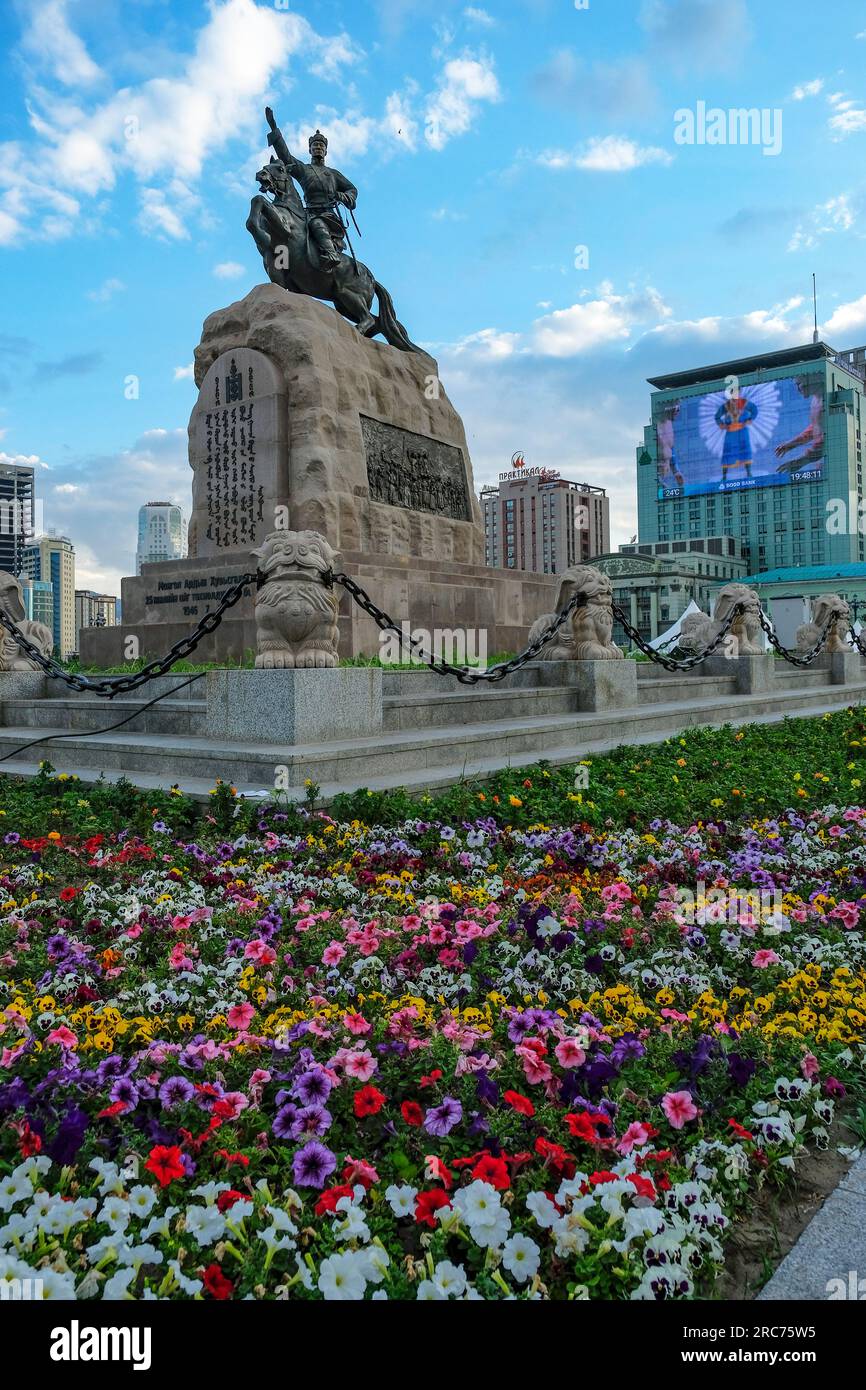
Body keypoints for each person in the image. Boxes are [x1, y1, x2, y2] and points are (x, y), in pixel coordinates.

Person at [264, 108, 358, 271]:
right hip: (307, 212)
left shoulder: (333, 174)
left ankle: (331, 253)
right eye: (315, 145)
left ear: (326, 150)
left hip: (326, 215)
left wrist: (344, 195)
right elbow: (286, 157)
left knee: (316, 223)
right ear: (310, 149)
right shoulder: (304, 169)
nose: (318, 148)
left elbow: (352, 189)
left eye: (321, 145)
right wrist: (274, 128)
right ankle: (282, 265)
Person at [774, 379, 824, 473]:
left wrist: (800, 461)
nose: (797, 389)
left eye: (799, 384)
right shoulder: (815, 399)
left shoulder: (824, 401)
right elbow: (816, 427)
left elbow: (825, 441)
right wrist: (791, 444)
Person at [715, 393, 757, 484]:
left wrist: (749, 419)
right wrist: (722, 425)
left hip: (742, 431)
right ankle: (724, 476)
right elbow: (717, 417)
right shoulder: (726, 406)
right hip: (730, 433)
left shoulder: (744, 402)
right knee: (727, 453)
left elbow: (754, 409)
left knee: (745, 451)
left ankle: (749, 472)